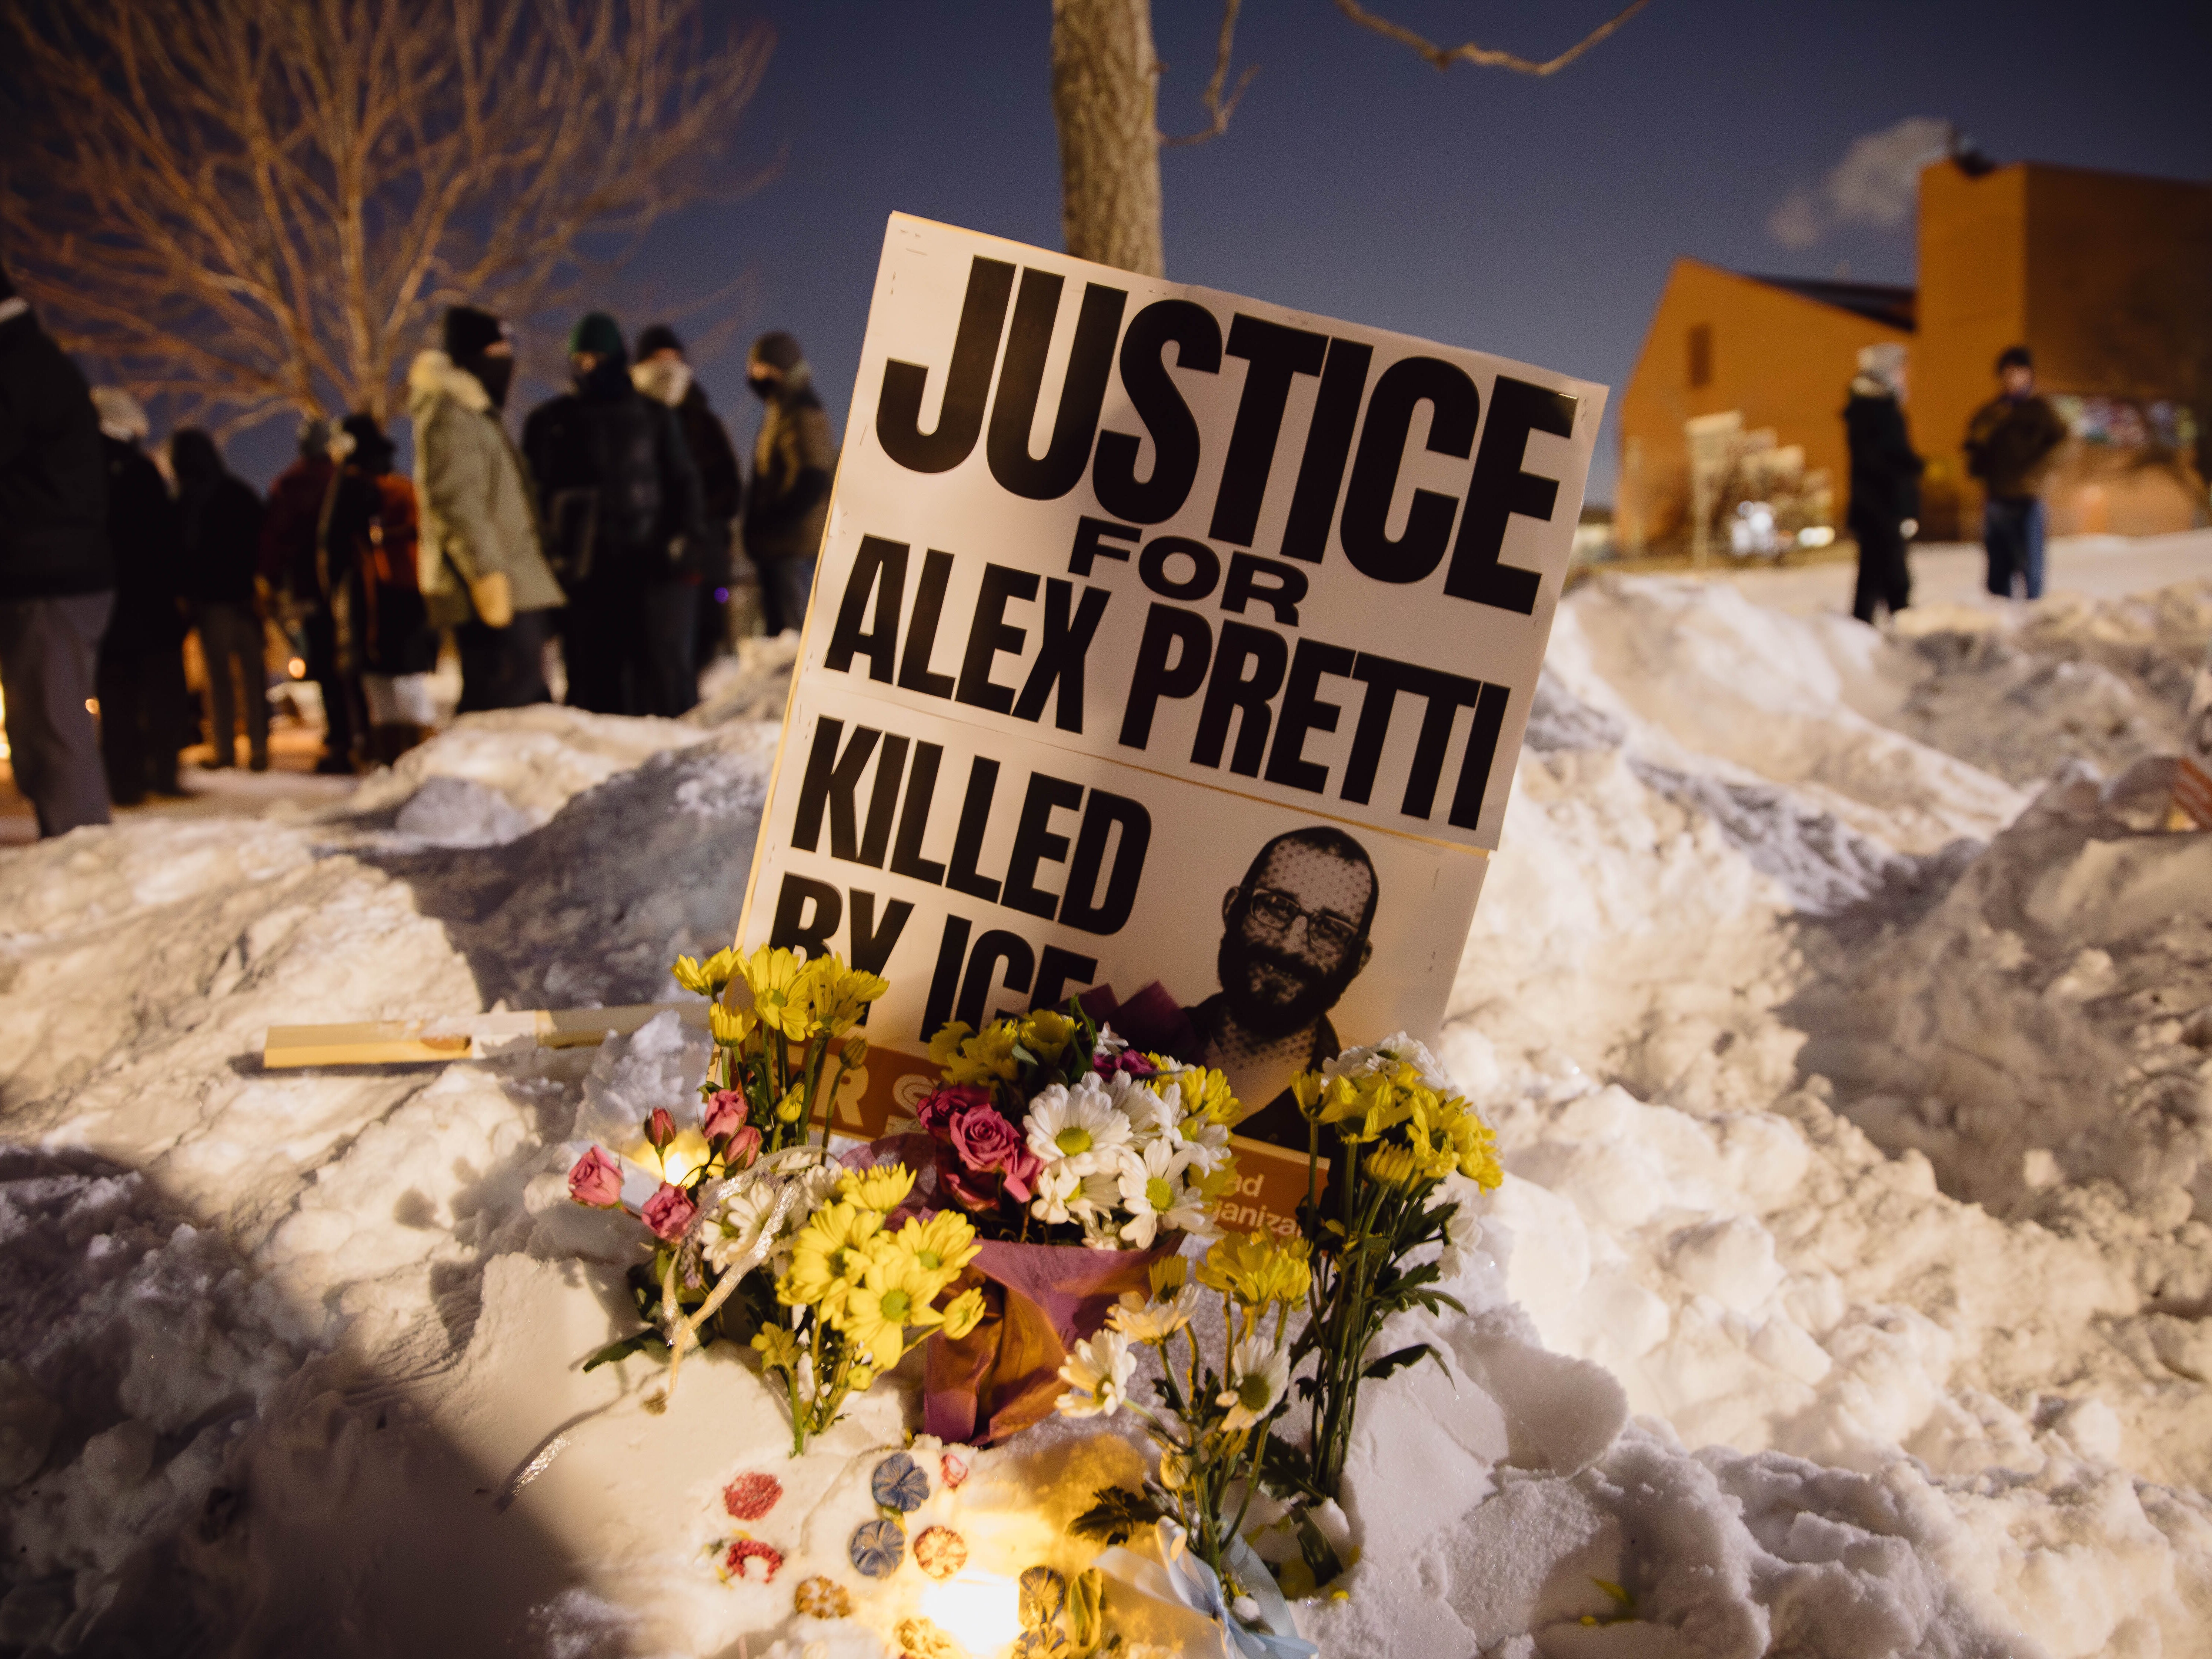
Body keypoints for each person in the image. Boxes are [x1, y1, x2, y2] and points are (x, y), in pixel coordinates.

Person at [523, 311, 703, 716]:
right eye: (580, 360)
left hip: (647, 566)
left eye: (597, 359)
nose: (588, 369)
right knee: (591, 679)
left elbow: (683, 482)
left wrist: (682, 541)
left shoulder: (654, 417)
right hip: (586, 573)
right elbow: (539, 495)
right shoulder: (554, 422)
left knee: (652, 678)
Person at [0, 257, 114, 835]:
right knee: (45, 726)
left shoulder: (19, 366)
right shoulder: (32, 359)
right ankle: (72, 845)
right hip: (53, 571)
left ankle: (82, 858)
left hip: (50, 575)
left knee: (54, 726)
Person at [1186, 825, 1379, 1152]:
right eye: (1276, 906)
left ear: (1357, 961)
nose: (1291, 944)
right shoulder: (1136, 1045)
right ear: (1233, 908)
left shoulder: (1359, 1125)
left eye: (1330, 929)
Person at [410, 305, 564, 712]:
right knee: (504, 695)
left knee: (525, 692)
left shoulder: (476, 412)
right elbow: (457, 503)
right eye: (496, 352)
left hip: (515, 578)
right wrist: (487, 574)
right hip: (493, 584)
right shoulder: (450, 414)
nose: (506, 362)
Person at [90, 388, 189, 803]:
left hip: (109, 602)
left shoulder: (85, 470)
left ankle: (125, 780)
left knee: (117, 699)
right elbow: (168, 538)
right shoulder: (142, 472)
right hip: (151, 603)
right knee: (161, 695)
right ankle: (162, 773)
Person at [323, 413, 438, 764]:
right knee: (408, 684)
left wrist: (333, 594)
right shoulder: (397, 483)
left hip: (374, 602)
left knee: (382, 686)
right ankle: (421, 760)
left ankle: (394, 761)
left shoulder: (353, 485)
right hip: (410, 598)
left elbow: (332, 548)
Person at [634, 323, 743, 674]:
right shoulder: (632, 417)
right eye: (658, 361)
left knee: (702, 642)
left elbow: (728, 484)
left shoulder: (703, 420)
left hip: (703, 550)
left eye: (674, 360)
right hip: (645, 550)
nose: (668, 370)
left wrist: (701, 523)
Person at [259, 415, 355, 771]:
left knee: (327, 666)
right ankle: (356, 735)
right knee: (348, 663)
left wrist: (273, 582)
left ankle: (340, 739)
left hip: (309, 589)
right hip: (346, 585)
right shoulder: (341, 479)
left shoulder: (290, 485)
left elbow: (274, 541)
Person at [171, 429, 268, 771]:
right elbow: (263, 539)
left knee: (220, 679)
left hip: (213, 602)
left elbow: (180, 554)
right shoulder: (239, 493)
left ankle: (225, 749)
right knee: (253, 678)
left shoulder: (189, 501)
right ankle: (258, 748)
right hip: (245, 596)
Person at [741, 330, 836, 637]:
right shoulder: (781, 408)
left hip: (794, 546)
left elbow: (812, 473)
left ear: (778, 368)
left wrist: (776, 520)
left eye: (759, 368)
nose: (753, 376)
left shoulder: (801, 408)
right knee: (781, 636)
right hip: (781, 546)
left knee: (791, 640)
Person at [1964, 345, 2068, 601]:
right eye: (2006, 372)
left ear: (2028, 374)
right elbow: (1974, 445)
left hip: (2027, 498)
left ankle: (2030, 626)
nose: (2010, 378)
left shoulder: (2039, 410)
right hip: (1997, 497)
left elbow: (2062, 442)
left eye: (2016, 371)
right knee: (1998, 570)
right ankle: (2001, 624)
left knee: (2030, 568)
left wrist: (2037, 471)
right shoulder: (1992, 413)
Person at [1843, 343, 1923, 626]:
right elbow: (1875, 459)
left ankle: (1877, 636)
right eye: (1901, 368)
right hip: (1880, 509)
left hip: (1882, 508)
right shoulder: (1874, 409)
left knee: (1879, 578)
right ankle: (1888, 639)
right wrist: (1909, 464)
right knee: (1885, 580)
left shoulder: (1879, 406)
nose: (1905, 374)